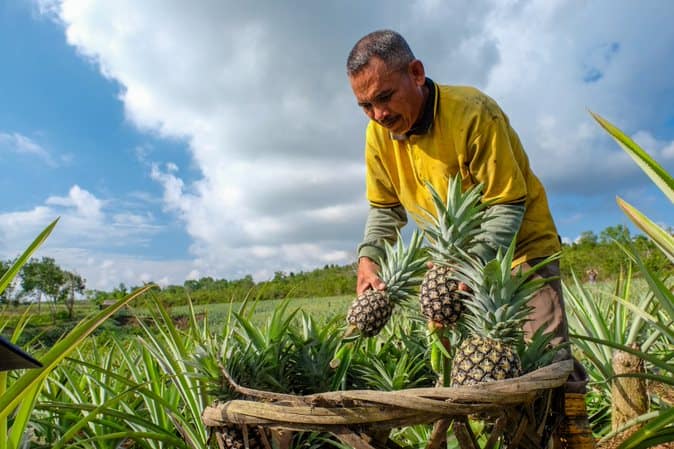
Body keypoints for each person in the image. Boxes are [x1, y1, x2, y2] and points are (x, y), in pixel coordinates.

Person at [346, 29, 592, 447]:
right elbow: (386, 208)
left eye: (385, 97)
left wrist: (463, 264)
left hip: (520, 256)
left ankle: (573, 438)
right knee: (473, 372)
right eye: (365, 105)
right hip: (450, 266)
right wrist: (369, 256)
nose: (378, 114)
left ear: (417, 73)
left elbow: (506, 203)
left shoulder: (473, 113)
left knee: (545, 363)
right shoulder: (378, 136)